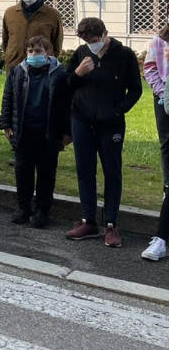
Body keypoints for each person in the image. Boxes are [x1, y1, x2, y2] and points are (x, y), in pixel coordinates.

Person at [64, 17, 142, 247]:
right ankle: (88, 220)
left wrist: (118, 112)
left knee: (112, 171)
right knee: (84, 170)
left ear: (104, 34)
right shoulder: (80, 53)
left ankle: (111, 224)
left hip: (110, 124)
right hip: (81, 120)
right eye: (85, 39)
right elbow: (66, 85)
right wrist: (78, 73)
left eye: (94, 39)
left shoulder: (123, 54)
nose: (90, 43)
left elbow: (136, 90)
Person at [0, 35, 71, 228]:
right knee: (23, 171)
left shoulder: (59, 74)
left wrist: (66, 131)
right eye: (30, 51)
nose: (33, 54)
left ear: (48, 53)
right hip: (24, 130)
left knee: (47, 173)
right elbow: (8, 98)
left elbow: (65, 105)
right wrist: (6, 123)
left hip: (48, 132)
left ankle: (42, 210)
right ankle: (23, 207)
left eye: (38, 51)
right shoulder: (18, 72)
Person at [143, 21, 169, 259]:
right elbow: (150, 68)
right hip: (165, 102)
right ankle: (161, 240)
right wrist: (163, 93)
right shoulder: (159, 41)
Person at [1, 0, 64, 71]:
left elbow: (57, 43)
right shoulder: (10, 13)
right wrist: (9, 55)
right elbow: (5, 39)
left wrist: (48, 58)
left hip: (42, 67)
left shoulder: (52, 14)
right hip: (14, 65)